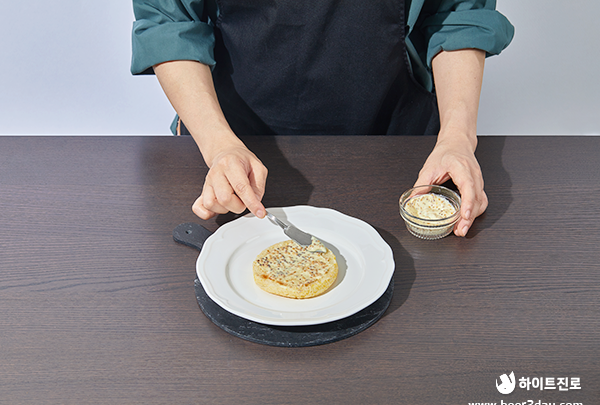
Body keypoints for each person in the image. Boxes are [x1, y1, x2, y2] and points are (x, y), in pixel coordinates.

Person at [131, 1, 514, 236]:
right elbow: (169, 22)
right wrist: (219, 146)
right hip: (232, 150)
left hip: (400, 148)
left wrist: (457, 139)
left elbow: (458, 13)